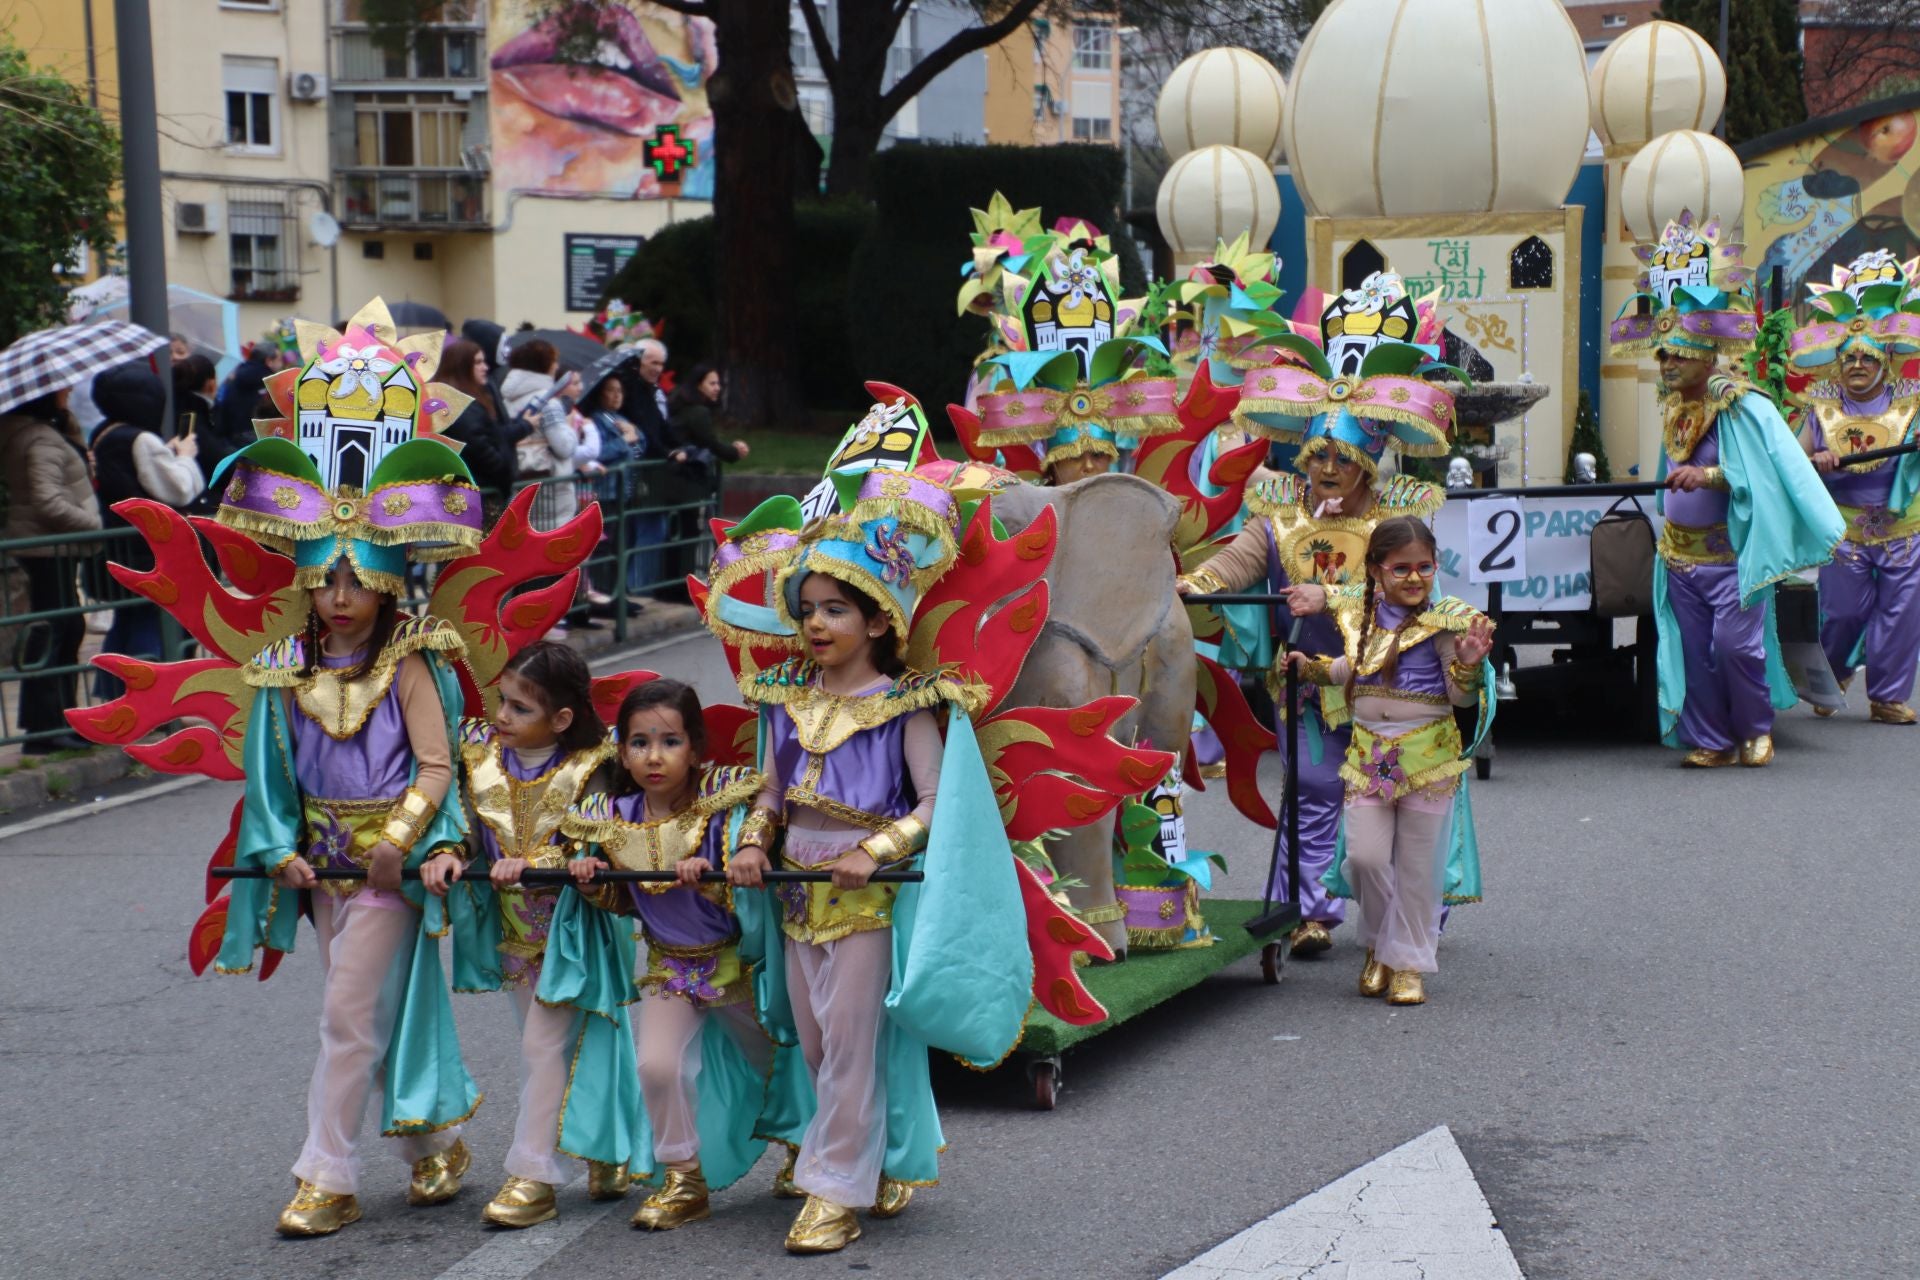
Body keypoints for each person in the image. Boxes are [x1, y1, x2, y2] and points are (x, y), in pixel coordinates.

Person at [205, 300, 492, 1237]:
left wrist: (402, 842)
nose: (337, 599)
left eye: (355, 581)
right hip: (319, 869)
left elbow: (439, 764)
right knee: (371, 1008)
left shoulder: (413, 659)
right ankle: (430, 1142)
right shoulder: (283, 670)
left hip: (389, 869)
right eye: (324, 580)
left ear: (386, 580)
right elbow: (270, 780)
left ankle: (325, 1174)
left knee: (343, 1015)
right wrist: (280, 849)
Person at [717, 470, 1031, 1255]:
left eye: (836, 610)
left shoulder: (909, 704)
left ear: (878, 621)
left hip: (865, 898)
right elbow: (773, 792)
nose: (817, 625)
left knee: (852, 1044)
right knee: (817, 1042)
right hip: (796, 895)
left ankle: (835, 1192)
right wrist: (754, 840)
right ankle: (876, 1155)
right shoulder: (784, 700)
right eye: (809, 610)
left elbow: (935, 807)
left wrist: (873, 850)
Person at [1175, 327, 1456, 961]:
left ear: (1368, 460)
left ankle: (1406, 916)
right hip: (1305, 681)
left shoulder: (1396, 525)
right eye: (1319, 455)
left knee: (1399, 799)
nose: (1329, 469)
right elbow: (1239, 560)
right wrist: (1196, 582)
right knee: (1314, 792)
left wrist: (1329, 598)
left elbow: (1415, 600)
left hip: (1385, 682)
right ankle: (1308, 911)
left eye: (1344, 458)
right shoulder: (1279, 516)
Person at [1609, 212, 1843, 767]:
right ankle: (1711, 738)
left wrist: (1709, 476)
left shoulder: (1741, 404)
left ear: (1707, 353)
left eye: (1678, 353)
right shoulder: (1674, 407)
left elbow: (1765, 475)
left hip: (1732, 556)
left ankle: (1755, 727)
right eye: (1662, 353)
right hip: (1680, 556)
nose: (1666, 363)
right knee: (1693, 652)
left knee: (1734, 646)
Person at [565, 679, 780, 1230]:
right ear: (622, 751)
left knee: (780, 1066)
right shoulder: (612, 816)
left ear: (696, 748)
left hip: (738, 965)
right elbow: (625, 903)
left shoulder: (723, 807)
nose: (653, 757)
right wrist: (594, 883)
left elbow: (750, 894)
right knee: (656, 1066)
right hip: (669, 966)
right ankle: (683, 1177)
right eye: (639, 743)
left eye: (669, 741)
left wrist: (710, 881)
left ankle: (813, 1150)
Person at [442, 641, 622, 1228]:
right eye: (502, 701)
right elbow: (465, 827)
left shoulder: (593, 763)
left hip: (578, 929)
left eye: (521, 708)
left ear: (562, 719)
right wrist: (448, 852)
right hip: (515, 935)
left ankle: (533, 1174)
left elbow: (599, 837)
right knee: (558, 1043)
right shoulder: (481, 758)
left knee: (545, 1047)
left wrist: (552, 858)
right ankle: (610, 1149)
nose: (501, 717)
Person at [1286, 516, 1495, 1006]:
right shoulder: (1360, 617)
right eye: (1401, 568)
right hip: (1368, 759)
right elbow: (1354, 668)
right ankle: (1381, 945)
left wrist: (1466, 663)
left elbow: (1462, 701)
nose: (1414, 578)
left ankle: (1408, 964)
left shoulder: (1448, 621)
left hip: (1429, 763)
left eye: (1424, 566)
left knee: (1418, 870)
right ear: (1377, 571)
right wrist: (1309, 669)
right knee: (1365, 857)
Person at [1790, 250, 1920, 723]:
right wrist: (1816, 458)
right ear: (1837, 363)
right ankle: (1837, 670)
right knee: (1842, 613)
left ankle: (1887, 696)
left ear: (1886, 361)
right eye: (1850, 358)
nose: (1858, 365)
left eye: (1868, 357)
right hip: (1844, 528)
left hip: (1903, 525)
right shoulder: (1821, 404)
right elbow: (1791, 459)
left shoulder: (1912, 400)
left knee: (1901, 614)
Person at [88, 362, 204, 695]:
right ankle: (147, 696)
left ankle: (111, 694)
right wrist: (184, 456)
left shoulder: (104, 432)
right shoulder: (141, 439)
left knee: (127, 618)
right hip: (146, 547)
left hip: (119, 544)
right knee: (149, 619)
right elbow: (179, 489)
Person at [0, 387, 101, 753]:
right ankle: (46, 727)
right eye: (61, 389)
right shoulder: (39, 437)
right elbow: (46, 499)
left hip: (48, 545)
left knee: (61, 627)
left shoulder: (42, 430)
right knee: (56, 629)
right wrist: (92, 524)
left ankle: (55, 722)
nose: (69, 391)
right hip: (47, 546)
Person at [579, 371, 661, 609]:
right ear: (600, 394)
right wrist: (625, 439)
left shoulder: (619, 418)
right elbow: (599, 452)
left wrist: (633, 434)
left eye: (619, 391)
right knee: (604, 545)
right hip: (606, 491)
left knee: (621, 544)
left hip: (625, 490)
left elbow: (640, 442)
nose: (616, 396)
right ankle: (604, 597)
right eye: (610, 391)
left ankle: (618, 594)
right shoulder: (594, 420)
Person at [663, 363, 749, 581]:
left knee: (679, 534)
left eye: (718, 383)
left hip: (675, 480)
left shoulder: (684, 408)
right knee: (687, 533)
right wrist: (734, 452)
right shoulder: (698, 412)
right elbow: (709, 442)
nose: (717, 388)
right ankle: (681, 583)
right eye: (712, 383)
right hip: (685, 482)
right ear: (698, 384)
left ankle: (675, 583)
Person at [438, 337, 517, 515]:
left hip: (475, 493)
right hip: (476, 497)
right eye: (478, 362)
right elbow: (480, 447)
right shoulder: (462, 406)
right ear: (462, 366)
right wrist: (503, 469)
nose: (485, 367)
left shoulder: (470, 399)